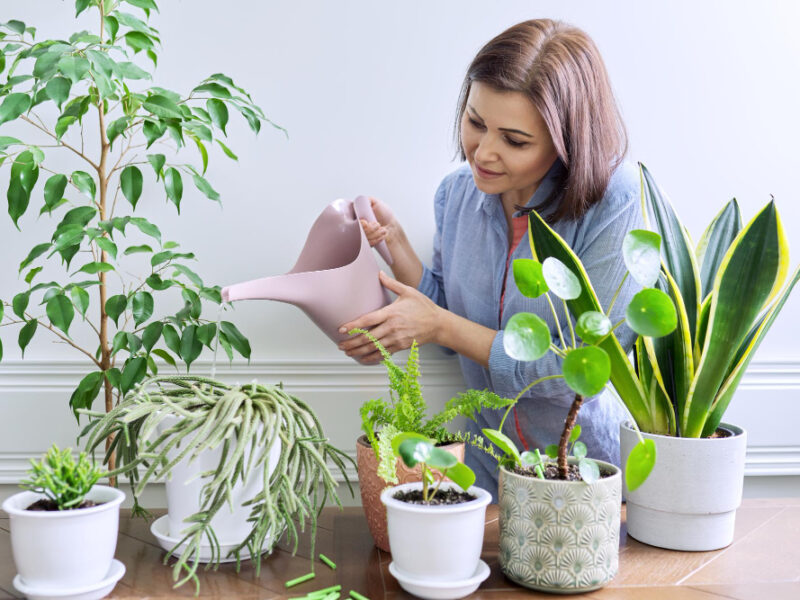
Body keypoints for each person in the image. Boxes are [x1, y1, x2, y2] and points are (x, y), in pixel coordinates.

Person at [338, 19, 642, 500]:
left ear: (568, 142)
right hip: (485, 469)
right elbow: (452, 329)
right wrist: (394, 243)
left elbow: (577, 370)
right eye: (475, 123)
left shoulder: (614, 202)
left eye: (515, 141)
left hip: (588, 476)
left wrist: (437, 325)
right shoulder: (456, 195)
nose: (483, 152)